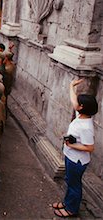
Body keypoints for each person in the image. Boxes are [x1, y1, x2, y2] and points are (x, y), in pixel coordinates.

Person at [52, 79, 97, 218]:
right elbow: (73, 100)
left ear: (82, 107)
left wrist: (72, 145)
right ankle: (67, 202)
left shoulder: (86, 127)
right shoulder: (81, 115)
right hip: (71, 156)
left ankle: (71, 209)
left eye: (78, 102)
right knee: (69, 181)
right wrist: (71, 85)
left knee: (74, 185)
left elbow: (90, 147)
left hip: (77, 161)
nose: (75, 103)